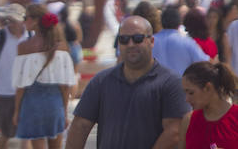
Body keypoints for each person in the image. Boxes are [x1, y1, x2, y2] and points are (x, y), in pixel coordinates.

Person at [65, 15, 190, 149]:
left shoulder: (171, 83)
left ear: (151, 41)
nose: (130, 44)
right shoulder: (101, 82)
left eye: (137, 39)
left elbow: (174, 132)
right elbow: (80, 126)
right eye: (124, 39)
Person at [12, 4, 75, 149]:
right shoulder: (62, 47)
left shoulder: (23, 47)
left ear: (35, 21)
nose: (23, 21)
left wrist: (16, 111)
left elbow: (20, 86)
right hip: (55, 103)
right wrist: (64, 112)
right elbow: (65, 86)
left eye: (25, 18)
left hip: (32, 104)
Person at [0, 3, 30, 149]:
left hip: (28, 91)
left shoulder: (31, 36)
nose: (11, 24)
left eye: (14, 20)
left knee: (27, 134)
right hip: (4, 92)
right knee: (6, 133)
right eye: (8, 20)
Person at [180, 61, 238, 149]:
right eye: (185, 93)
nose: (186, 99)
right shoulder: (188, 120)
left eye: (191, 93)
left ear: (208, 88)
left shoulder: (235, 116)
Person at [154, 6, 210, 75]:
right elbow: (204, 63)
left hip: (155, 84)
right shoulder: (188, 42)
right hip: (181, 84)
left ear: (161, 22)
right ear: (179, 22)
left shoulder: (150, 42)